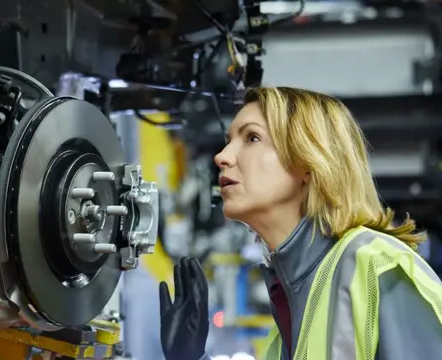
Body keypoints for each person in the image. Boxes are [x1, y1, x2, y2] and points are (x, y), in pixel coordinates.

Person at [158, 86, 442, 360]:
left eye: (252, 138)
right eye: (228, 140)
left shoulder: (377, 266)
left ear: (309, 162)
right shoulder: (287, 318)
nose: (222, 156)